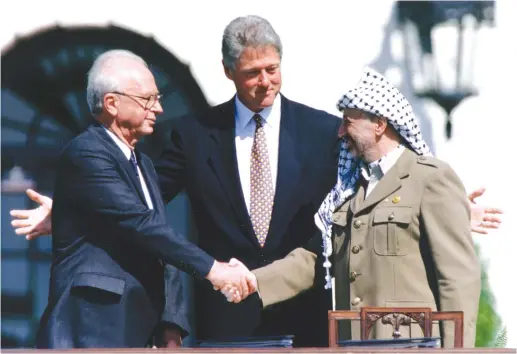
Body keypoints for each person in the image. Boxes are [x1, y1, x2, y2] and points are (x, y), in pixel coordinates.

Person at [11, 16, 502, 347]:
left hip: (312, 318)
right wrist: (73, 208)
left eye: (273, 69)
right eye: (252, 73)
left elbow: (369, 191)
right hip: (228, 317)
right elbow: (143, 201)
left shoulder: (323, 130)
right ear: (229, 72)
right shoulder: (195, 134)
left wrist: (453, 210)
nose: (265, 81)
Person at [228, 68, 482, 348]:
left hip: (410, 346)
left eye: (348, 122)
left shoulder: (430, 178)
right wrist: (253, 280)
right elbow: (314, 259)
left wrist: (458, 351)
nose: (339, 132)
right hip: (352, 345)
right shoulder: (348, 189)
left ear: (379, 125)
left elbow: (458, 279)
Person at [34, 49, 253, 348]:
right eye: (147, 99)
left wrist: (172, 325)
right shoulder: (85, 152)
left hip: (139, 330)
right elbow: (139, 224)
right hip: (92, 329)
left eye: (158, 98)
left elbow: (158, 241)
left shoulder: (144, 164)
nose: (159, 108)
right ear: (111, 103)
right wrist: (214, 269)